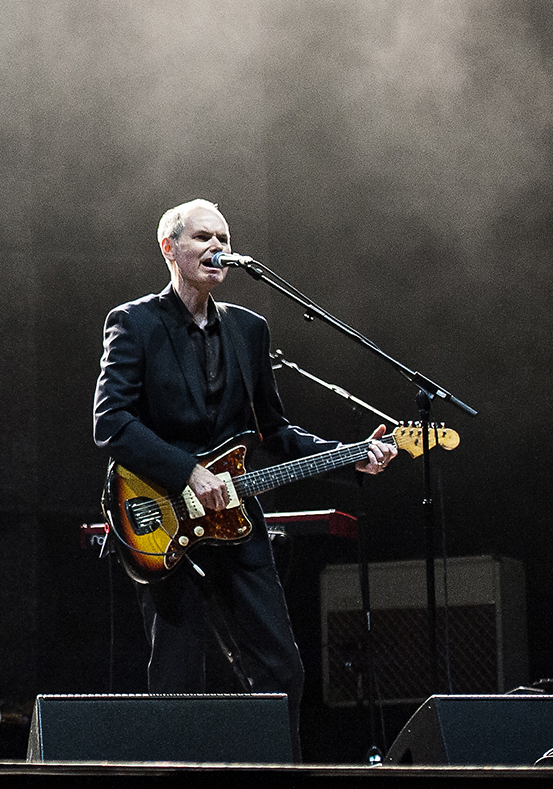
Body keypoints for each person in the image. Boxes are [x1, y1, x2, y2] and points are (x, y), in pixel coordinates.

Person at [93, 198, 396, 759]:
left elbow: (274, 430)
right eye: (203, 237)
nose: (218, 248)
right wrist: (187, 471)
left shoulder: (248, 329)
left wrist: (348, 456)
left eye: (224, 239)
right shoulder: (134, 322)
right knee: (179, 678)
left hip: (235, 517)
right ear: (169, 248)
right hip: (161, 516)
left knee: (282, 671)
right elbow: (110, 422)